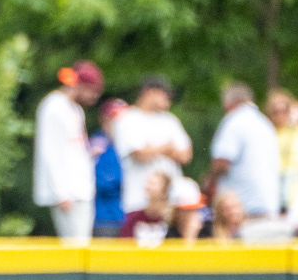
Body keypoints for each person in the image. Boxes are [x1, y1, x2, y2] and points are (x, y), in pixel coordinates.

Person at [32, 61, 102, 241]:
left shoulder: (76, 110)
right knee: (73, 246)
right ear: (79, 85)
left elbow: (74, 148)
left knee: (83, 244)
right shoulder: (54, 106)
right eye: (91, 91)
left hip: (81, 189)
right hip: (67, 193)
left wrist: (90, 152)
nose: (93, 97)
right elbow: (50, 150)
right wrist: (61, 193)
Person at [111, 77, 193, 220]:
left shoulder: (170, 120)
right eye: (165, 94)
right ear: (149, 93)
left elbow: (186, 155)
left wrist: (153, 149)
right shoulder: (128, 119)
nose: (169, 99)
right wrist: (167, 148)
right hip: (138, 201)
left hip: (171, 201)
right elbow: (139, 154)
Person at [209, 82, 281, 219]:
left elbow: (222, 162)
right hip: (269, 204)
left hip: (243, 207)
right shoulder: (264, 123)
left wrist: (209, 183)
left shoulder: (233, 121)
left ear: (228, 104)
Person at [89, 97, 127, 235]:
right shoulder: (98, 145)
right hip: (105, 218)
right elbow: (103, 182)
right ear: (104, 120)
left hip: (129, 214)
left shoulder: (129, 144)